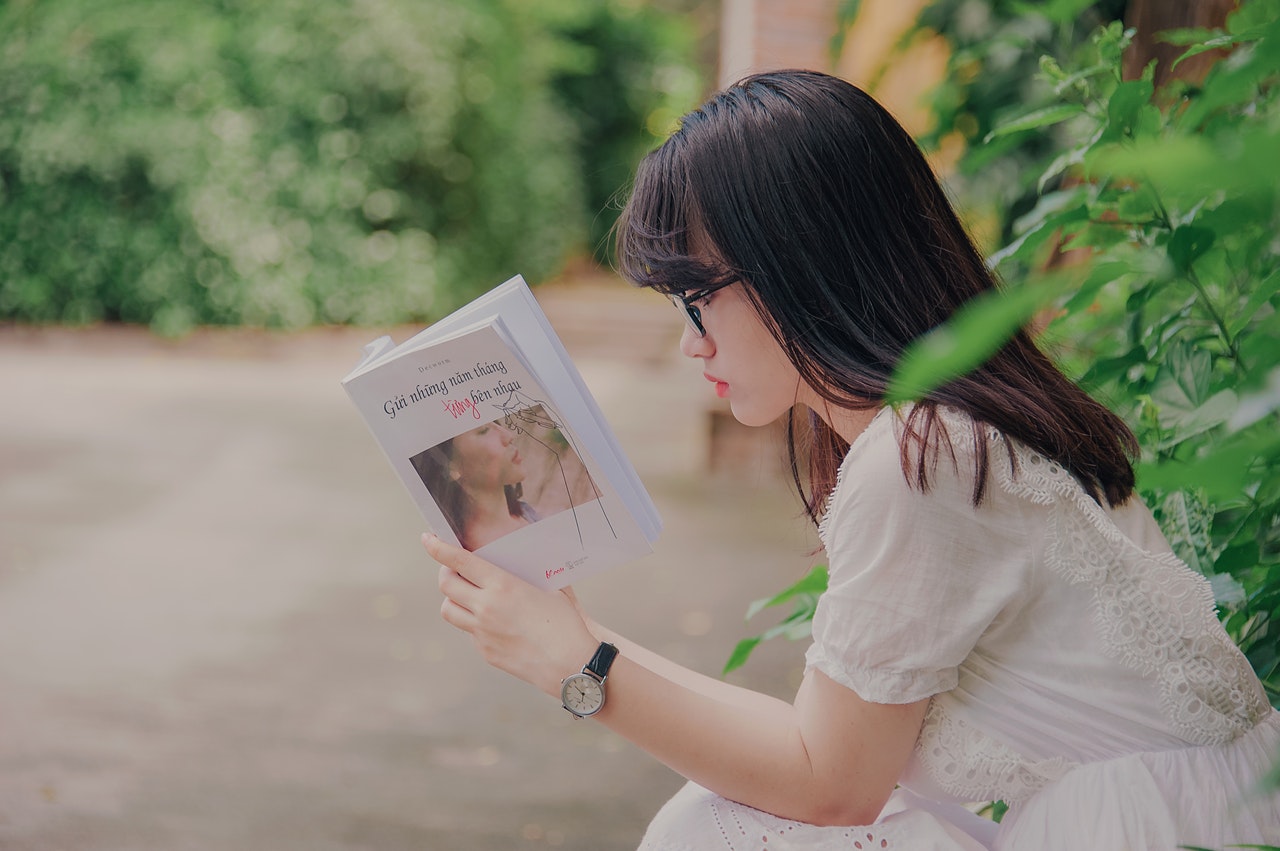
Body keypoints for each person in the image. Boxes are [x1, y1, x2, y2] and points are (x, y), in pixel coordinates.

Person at [424, 70, 1280, 849]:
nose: (691, 344)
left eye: (697, 301)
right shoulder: (956, 423)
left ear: (798, 263)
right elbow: (817, 738)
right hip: (1185, 815)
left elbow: (831, 786)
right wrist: (580, 640)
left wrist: (580, 672)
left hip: (1150, 834)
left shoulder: (921, 458)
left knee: (713, 832)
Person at [412, 417, 539, 551]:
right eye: (483, 430)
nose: (508, 436)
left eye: (495, 423)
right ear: (451, 467)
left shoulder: (527, 513)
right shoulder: (462, 550)